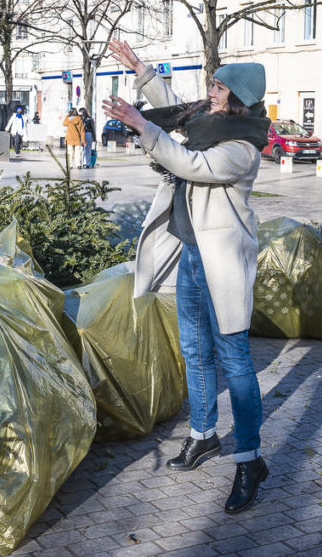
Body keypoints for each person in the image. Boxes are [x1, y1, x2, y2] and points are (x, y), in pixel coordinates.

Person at [103, 38, 271, 515]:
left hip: (221, 263)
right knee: (194, 349)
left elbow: (190, 164)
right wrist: (140, 68)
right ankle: (203, 436)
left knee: (235, 361)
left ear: (237, 97)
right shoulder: (208, 123)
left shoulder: (241, 147)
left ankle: (249, 460)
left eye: (218, 87)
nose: (210, 91)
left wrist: (142, 128)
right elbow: (172, 110)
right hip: (191, 258)